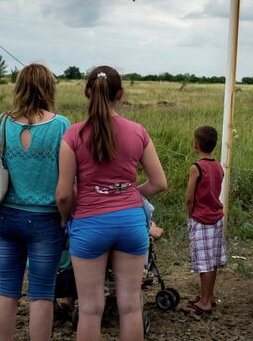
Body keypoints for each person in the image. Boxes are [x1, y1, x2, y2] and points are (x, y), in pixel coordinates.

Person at [55, 66, 167, 341]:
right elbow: (159, 183)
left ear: (86, 93)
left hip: (89, 225)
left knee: (91, 308)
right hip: (130, 223)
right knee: (130, 306)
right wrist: (127, 191)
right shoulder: (138, 132)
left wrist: (64, 218)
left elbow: (63, 195)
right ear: (121, 94)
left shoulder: (73, 135)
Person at [0, 63, 70, 341]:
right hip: (46, 220)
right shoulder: (60, 125)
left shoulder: (2, 122)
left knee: (7, 288)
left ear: (19, 88)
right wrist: (66, 218)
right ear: (49, 88)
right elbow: (69, 180)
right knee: (42, 293)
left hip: (7, 218)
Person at [182, 125, 227, 316]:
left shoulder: (196, 167)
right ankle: (206, 295)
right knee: (212, 261)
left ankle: (206, 302)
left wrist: (190, 214)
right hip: (216, 218)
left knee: (204, 262)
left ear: (196, 144)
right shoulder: (218, 166)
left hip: (201, 220)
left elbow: (189, 197)